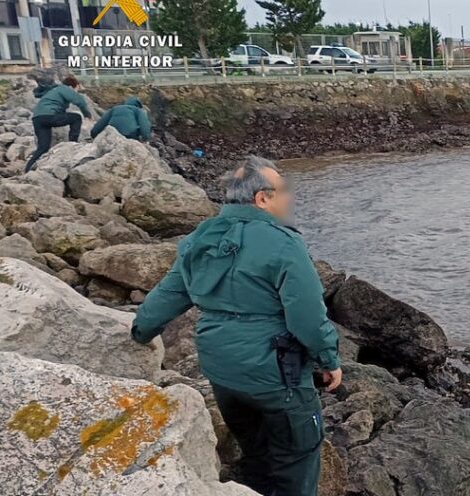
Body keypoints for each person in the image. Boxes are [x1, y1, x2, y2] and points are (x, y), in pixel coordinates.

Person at [131, 156, 341, 496]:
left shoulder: (200, 236)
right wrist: (329, 360)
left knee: (257, 455)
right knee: (297, 458)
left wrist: (140, 330)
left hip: (223, 374)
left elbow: (171, 292)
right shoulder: (284, 242)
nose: (289, 196)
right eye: (283, 189)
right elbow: (306, 317)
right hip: (277, 376)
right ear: (262, 199)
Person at [24, 75, 92, 173]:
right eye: (77, 89)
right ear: (72, 86)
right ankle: (73, 144)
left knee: (43, 147)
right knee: (76, 117)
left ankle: (28, 169)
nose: (76, 91)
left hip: (38, 119)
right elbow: (79, 101)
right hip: (49, 116)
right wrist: (87, 115)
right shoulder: (64, 88)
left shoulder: (53, 91)